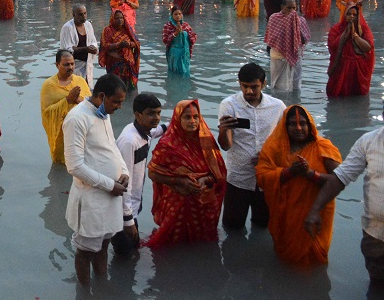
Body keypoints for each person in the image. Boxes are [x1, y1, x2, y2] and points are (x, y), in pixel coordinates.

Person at [305, 106, 384, 284]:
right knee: (378, 284)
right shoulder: (369, 141)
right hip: (375, 235)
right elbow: (340, 177)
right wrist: (315, 210)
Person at [62, 73, 129, 285]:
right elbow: (75, 166)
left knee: (105, 243)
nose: (119, 107)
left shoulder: (103, 114)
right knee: (85, 250)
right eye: (116, 101)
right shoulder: (76, 118)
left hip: (111, 196)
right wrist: (110, 184)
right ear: (102, 96)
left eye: (122, 102)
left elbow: (111, 147)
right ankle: (85, 292)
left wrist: (124, 171)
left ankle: (102, 285)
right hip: (91, 198)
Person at [255, 105, 342, 266]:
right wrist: (289, 172)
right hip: (287, 213)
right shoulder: (273, 148)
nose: (299, 128)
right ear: (284, 126)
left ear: (310, 125)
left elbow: (340, 180)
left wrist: (310, 174)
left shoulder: (323, 147)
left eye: (303, 123)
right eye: (292, 124)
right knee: (287, 256)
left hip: (317, 211)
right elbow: (261, 177)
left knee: (315, 257)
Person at [146, 99, 227, 248]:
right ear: (177, 118)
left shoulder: (206, 140)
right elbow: (153, 173)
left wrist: (205, 179)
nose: (192, 121)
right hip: (177, 203)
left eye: (196, 117)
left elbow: (219, 172)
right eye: (187, 117)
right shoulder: (167, 144)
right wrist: (181, 182)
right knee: (173, 243)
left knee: (203, 244)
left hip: (202, 204)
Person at [217, 62, 285, 230]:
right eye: (245, 86)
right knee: (232, 225)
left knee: (263, 224)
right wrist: (224, 130)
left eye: (254, 87)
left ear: (264, 84)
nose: (249, 91)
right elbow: (226, 146)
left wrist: (268, 155)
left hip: (266, 176)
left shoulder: (278, 107)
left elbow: (284, 141)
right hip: (238, 176)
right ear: (239, 84)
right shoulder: (229, 105)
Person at [111, 93, 165, 256]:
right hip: (122, 211)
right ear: (137, 115)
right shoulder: (129, 141)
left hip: (132, 207)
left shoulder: (143, 131)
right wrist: (128, 220)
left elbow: (158, 131)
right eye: (150, 113)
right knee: (126, 255)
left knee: (133, 250)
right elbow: (123, 183)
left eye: (158, 113)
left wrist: (179, 121)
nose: (156, 118)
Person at [40, 49, 92, 164]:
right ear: (57, 65)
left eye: (72, 64)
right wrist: (67, 101)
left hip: (80, 131)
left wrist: (78, 100)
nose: (71, 67)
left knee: (82, 162)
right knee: (63, 164)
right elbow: (46, 113)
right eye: (66, 64)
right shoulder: (48, 85)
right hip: (61, 135)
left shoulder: (80, 81)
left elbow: (91, 106)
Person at [326, 4, 375, 97]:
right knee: (336, 94)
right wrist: (343, 35)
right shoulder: (336, 29)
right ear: (344, 15)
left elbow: (368, 47)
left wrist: (355, 36)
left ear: (358, 16)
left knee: (358, 95)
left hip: (359, 69)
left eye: (354, 14)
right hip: (341, 67)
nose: (351, 16)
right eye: (349, 14)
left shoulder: (364, 29)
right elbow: (332, 46)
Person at [264, 0, 310, 91]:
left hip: (295, 56)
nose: (292, 11)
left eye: (294, 8)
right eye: (289, 8)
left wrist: (296, 24)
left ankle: (295, 104)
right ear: (282, 7)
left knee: (296, 85)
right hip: (278, 56)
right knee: (278, 86)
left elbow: (304, 40)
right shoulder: (274, 18)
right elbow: (273, 38)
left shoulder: (300, 20)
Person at [98, 9, 140, 89]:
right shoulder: (107, 30)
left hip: (128, 64)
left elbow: (137, 42)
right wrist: (119, 45)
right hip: (114, 64)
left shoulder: (128, 29)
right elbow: (104, 46)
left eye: (121, 18)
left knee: (128, 87)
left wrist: (129, 44)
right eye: (117, 18)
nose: (119, 20)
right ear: (112, 19)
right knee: (115, 87)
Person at [59, 4, 98, 88]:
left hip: (87, 64)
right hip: (74, 67)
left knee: (87, 90)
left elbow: (93, 42)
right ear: (74, 14)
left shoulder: (88, 25)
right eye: (80, 14)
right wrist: (86, 49)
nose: (83, 16)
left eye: (85, 13)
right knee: (75, 90)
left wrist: (94, 49)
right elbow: (67, 50)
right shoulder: (67, 27)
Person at [162, 6, 196, 76]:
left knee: (185, 72)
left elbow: (193, 36)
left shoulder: (185, 25)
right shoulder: (168, 26)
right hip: (174, 54)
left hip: (184, 53)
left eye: (180, 14)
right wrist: (176, 33)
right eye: (175, 14)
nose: (178, 16)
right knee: (174, 73)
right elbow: (165, 40)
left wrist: (185, 34)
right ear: (172, 15)